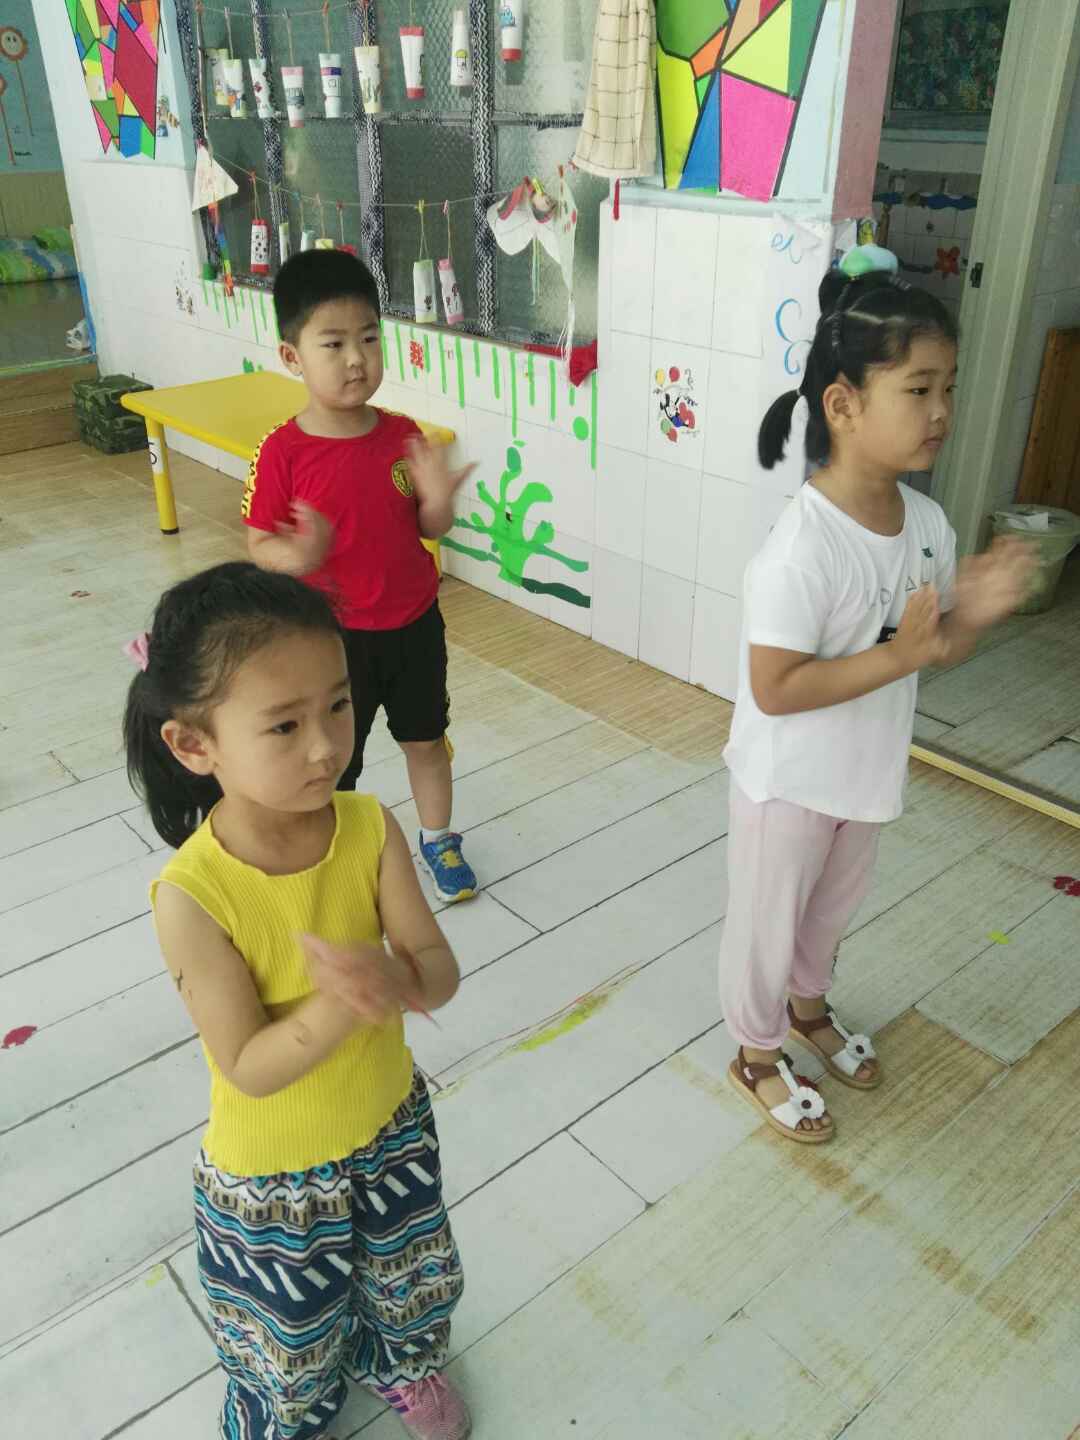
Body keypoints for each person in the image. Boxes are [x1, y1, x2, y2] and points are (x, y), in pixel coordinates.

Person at [123, 561, 470, 1440]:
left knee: (406, 1275)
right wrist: (341, 1003)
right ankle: (285, 1417)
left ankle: (402, 1361)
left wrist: (401, 980)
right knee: (292, 1334)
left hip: (390, 1127)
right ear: (193, 746)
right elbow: (246, 1064)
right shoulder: (193, 896)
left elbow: (437, 967)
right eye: (284, 724)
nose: (326, 747)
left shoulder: (369, 827)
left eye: (339, 706)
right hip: (277, 1177)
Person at [720, 246, 1033, 1145]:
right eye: (918, 389)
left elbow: (935, 647)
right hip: (787, 784)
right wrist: (902, 657)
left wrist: (977, 610)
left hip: (862, 775)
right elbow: (776, 688)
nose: (941, 412)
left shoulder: (926, 525)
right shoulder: (802, 549)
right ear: (844, 405)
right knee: (768, 923)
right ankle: (755, 1052)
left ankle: (809, 1010)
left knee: (831, 912)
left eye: (949, 388)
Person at [243, 248, 478, 905]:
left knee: (426, 741)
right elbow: (259, 544)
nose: (357, 359)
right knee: (334, 759)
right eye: (334, 343)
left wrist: (439, 501)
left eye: (370, 339)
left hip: (415, 625)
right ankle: (330, 855)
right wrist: (302, 555)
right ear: (292, 356)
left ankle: (439, 839)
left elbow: (430, 528)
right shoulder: (282, 451)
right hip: (331, 642)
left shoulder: (402, 434)